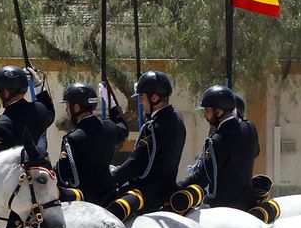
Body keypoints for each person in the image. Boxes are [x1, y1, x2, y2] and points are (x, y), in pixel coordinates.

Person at [112, 70, 187, 213]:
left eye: (142, 97)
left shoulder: (153, 127)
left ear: (154, 98)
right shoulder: (176, 117)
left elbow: (137, 163)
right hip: (168, 189)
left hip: (147, 195)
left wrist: (111, 179)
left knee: (108, 210)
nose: (140, 101)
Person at [179, 84, 262, 212]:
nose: (206, 117)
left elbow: (202, 177)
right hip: (247, 204)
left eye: (207, 111)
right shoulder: (250, 128)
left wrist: (179, 187)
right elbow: (255, 153)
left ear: (218, 112)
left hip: (221, 206)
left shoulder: (216, 141)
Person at [55, 81, 129, 204]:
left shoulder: (72, 138)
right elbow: (123, 129)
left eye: (67, 106)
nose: (67, 110)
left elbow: (63, 175)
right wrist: (111, 103)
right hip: (108, 194)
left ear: (76, 107)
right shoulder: (109, 127)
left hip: (84, 198)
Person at [0, 65, 54, 155]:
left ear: (6, 93)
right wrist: (37, 84)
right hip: (43, 166)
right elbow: (50, 112)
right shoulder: (40, 110)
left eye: (0, 91)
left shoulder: (1, 125)